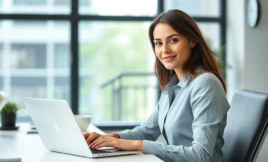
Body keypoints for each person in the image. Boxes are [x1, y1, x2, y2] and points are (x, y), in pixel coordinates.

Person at [83, 9, 230, 162]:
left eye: (173, 40)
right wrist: (110, 138)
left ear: (192, 41)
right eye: (158, 43)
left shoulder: (205, 84)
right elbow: (147, 131)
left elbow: (200, 155)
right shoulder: (172, 85)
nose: (164, 50)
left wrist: (136, 145)